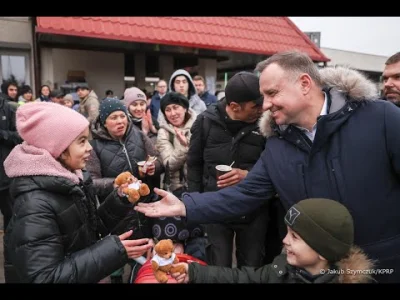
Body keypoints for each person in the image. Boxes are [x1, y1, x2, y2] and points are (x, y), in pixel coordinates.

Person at [135, 51, 400, 283]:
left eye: (272, 93)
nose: (265, 105)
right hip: (311, 272)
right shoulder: (277, 144)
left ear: (305, 84)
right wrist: (186, 206)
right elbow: (244, 195)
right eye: (263, 96)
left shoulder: (381, 119)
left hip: (384, 267)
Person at [3, 102, 153, 283]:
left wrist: (120, 199)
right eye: (81, 141)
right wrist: (112, 252)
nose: (89, 147)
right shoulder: (34, 204)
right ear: (56, 148)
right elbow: (45, 277)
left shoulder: (74, 178)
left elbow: (88, 229)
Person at [171, 198, 375, 284]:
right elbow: (245, 278)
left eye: (295, 236)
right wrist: (195, 272)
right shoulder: (282, 268)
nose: (285, 241)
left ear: (323, 250)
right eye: (287, 232)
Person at [187, 71, 269, 268]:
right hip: (215, 207)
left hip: (253, 208)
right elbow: (194, 164)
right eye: (255, 106)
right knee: (217, 266)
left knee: (251, 267)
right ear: (234, 106)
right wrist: (195, 204)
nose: (262, 108)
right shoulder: (205, 121)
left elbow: (272, 166)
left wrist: (248, 176)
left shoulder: (268, 124)